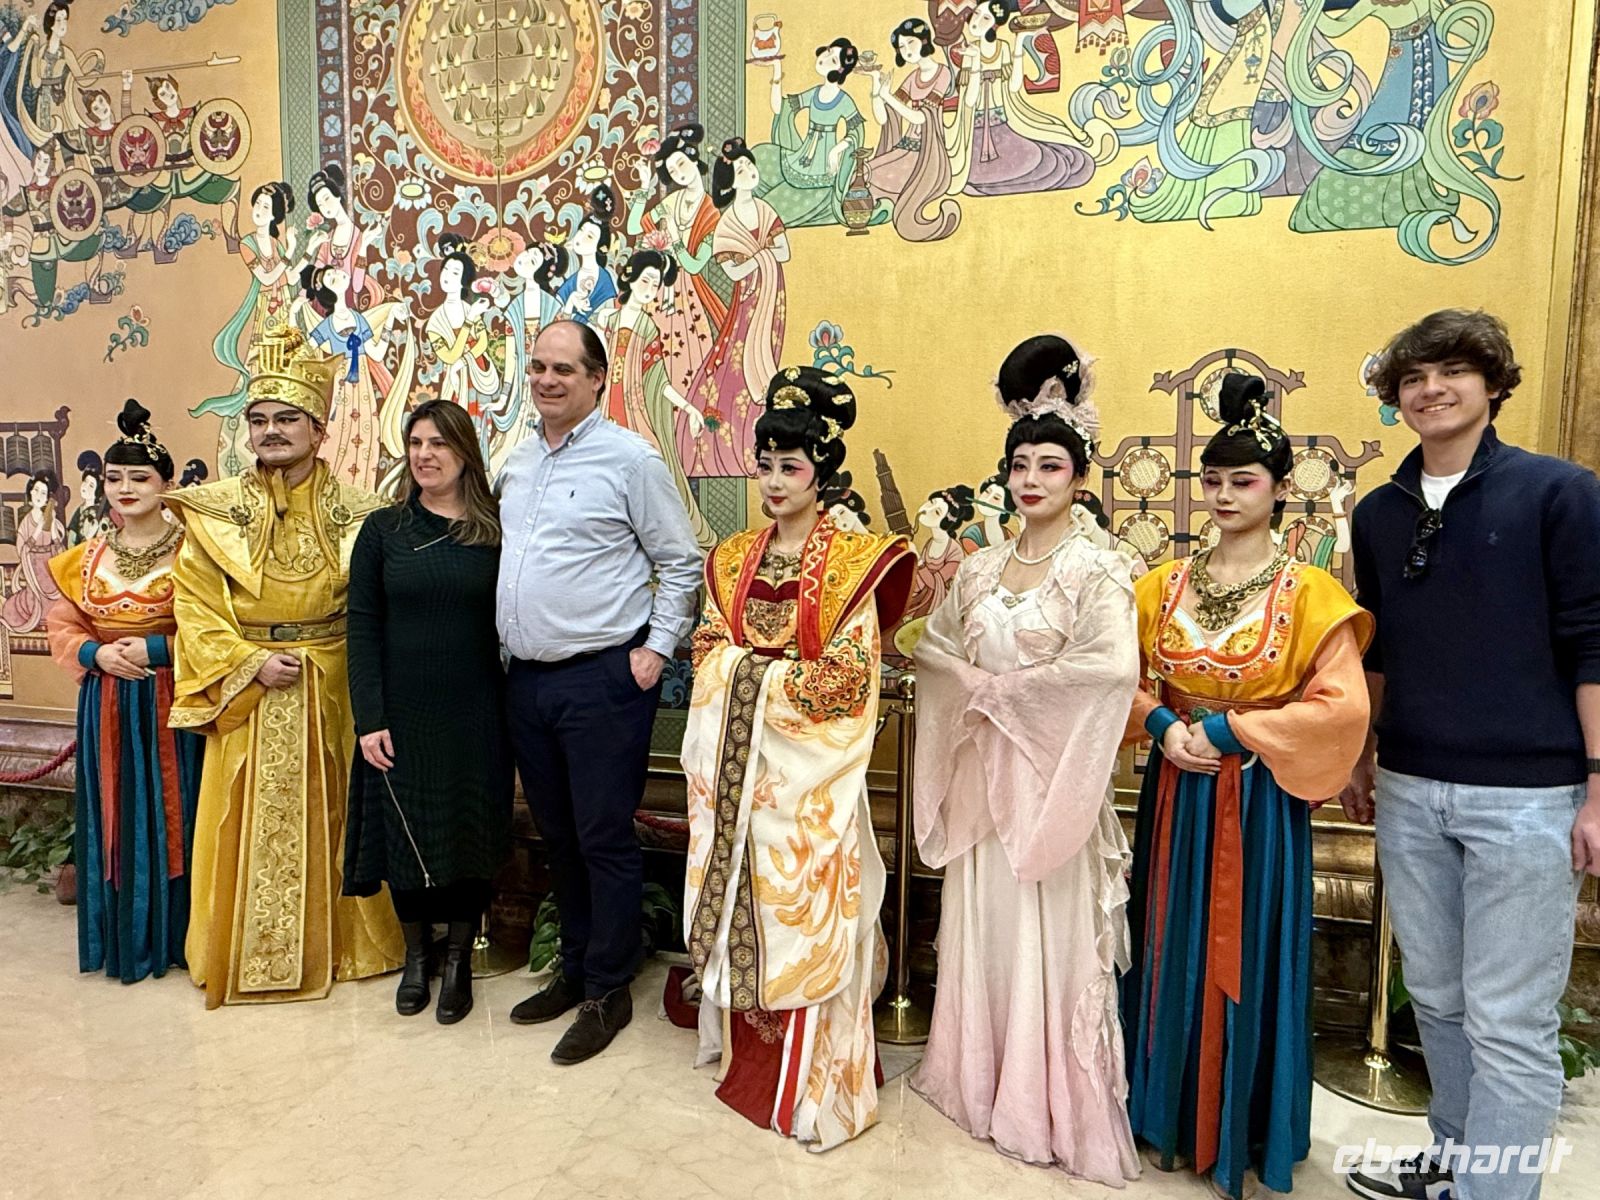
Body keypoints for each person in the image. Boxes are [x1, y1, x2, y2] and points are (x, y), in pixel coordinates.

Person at [1339, 310, 1600, 1200]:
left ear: (1492, 384)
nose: (1431, 390)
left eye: (1452, 371)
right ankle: (1453, 1161)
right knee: (1440, 1001)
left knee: (1510, 1022)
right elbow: (1378, 650)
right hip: (1411, 787)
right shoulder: (1379, 512)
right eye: (1413, 378)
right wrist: (1362, 755)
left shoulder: (1560, 492)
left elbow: (1593, 643)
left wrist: (1597, 789)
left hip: (1530, 799)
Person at [1122, 374, 1372, 1200]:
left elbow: (1342, 707)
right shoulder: (1162, 584)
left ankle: (1242, 1124)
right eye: (1214, 480)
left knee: (1250, 949)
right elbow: (1117, 678)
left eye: (1245, 481)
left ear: (1279, 489)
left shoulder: (1311, 594)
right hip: (1174, 794)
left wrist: (1232, 731)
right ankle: (1163, 1112)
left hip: (1259, 804)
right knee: (1165, 941)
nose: (1225, 495)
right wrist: (1164, 725)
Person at [912, 334, 1141, 1184]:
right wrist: (972, 683)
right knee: (986, 924)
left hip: (1052, 780)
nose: (1032, 479)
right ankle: (976, 1080)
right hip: (983, 775)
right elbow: (931, 650)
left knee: (1046, 932)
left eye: (1051, 465)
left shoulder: (1099, 569)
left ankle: (1043, 1100)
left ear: (1079, 477)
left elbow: (1110, 670)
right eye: (1020, 465)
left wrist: (1007, 693)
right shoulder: (977, 569)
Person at [680, 366, 913, 1150]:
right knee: (744, 901)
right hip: (740, 778)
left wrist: (747, 674)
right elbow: (706, 650)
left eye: (791, 467)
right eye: (765, 465)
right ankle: (747, 1059)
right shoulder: (732, 558)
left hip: (808, 783)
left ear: (823, 474)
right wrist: (760, 671)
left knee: (808, 912)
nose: (775, 482)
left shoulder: (853, 563)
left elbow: (847, 679)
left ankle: (817, 1084)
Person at [166, 322, 405, 1007]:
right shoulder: (214, 514)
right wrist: (248, 662)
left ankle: (352, 947)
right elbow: (195, 606)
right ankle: (240, 946)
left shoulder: (365, 514)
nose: (270, 431)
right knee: (240, 814)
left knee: (342, 813)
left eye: (287, 418)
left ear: (320, 428)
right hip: (252, 685)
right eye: (259, 419)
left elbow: (383, 609)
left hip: (334, 679)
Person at [500, 319, 703, 1064]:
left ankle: (607, 989)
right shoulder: (518, 460)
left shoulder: (630, 459)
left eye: (563, 369)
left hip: (604, 679)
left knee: (603, 837)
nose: (547, 380)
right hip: (528, 681)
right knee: (557, 836)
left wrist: (655, 651)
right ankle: (575, 967)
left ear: (596, 379)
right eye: (538, 367)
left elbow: (680, 561)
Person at [343, 399, 513, 1024]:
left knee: (470, 831)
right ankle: (418, 956)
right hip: (401, 713)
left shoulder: (497, 530)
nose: (424, 455)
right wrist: (370, 718)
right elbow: (362, 628)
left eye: (438, 443)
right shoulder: (384, 531)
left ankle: (459, 959)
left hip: (477, 709)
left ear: (465, 451)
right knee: (403, 834)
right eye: (415, 443)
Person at [45, 400, 202, 983]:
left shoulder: (195, 554)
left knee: (177, 811)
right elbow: (64, 625)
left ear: (167, 485)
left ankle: (178, 937)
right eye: (115, 478)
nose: (126, 489)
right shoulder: (85, 558)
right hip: (106, 701)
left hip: (173, 699)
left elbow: (215, 631)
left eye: (140, 478)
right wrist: (97, 654)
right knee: (114, 816)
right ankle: (123, 939)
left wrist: (157, 650)